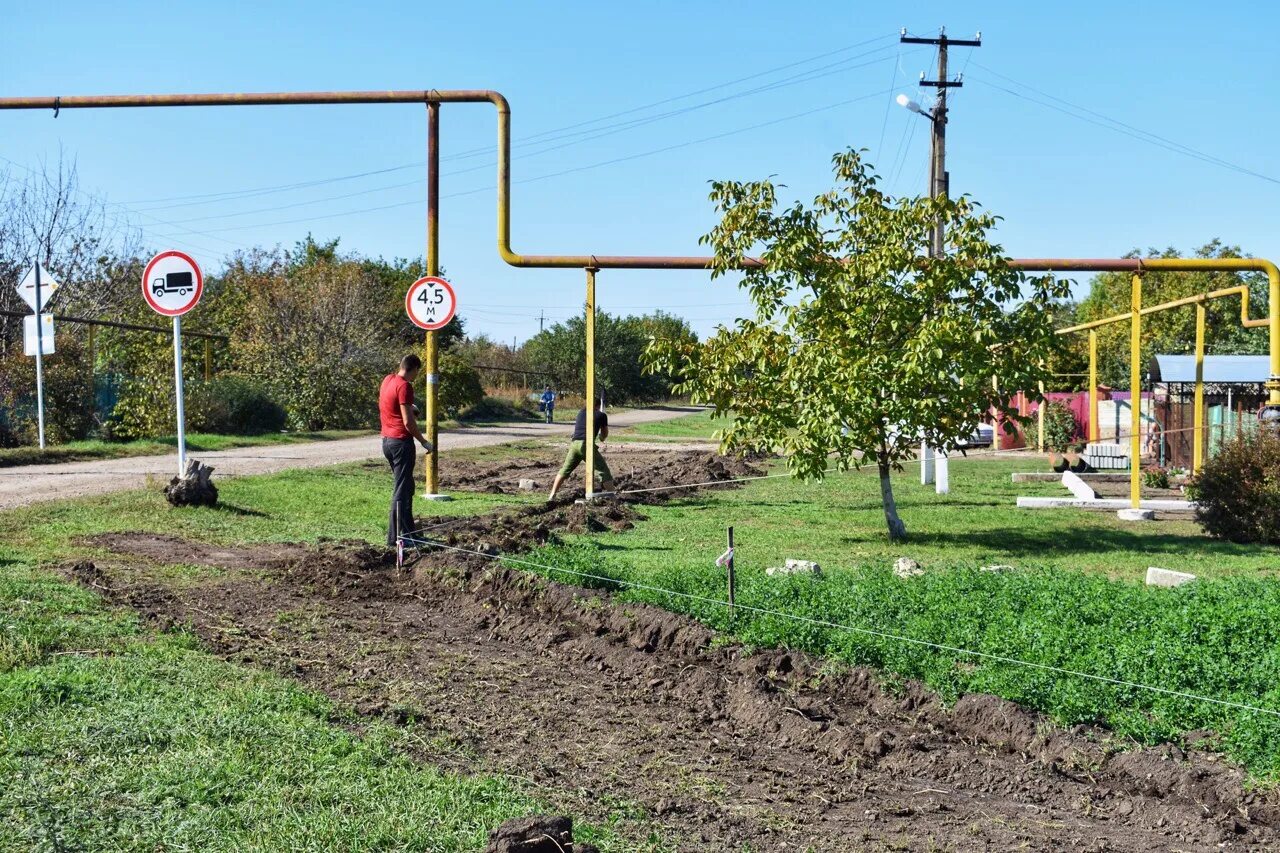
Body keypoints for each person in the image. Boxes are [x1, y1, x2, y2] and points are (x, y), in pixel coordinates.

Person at [380, 354, 434, 547]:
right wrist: (423, 442)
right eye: (417, 372)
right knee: (401, 491)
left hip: (387, 441)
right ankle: (395, 538)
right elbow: (408, 422)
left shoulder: (388, 380)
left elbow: (394, 404)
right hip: (401, 443)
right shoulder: (405, 386)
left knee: (408, 486)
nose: (416, 376)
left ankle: (410, 533)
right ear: (413, 369)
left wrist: (412, 408)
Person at [548, 400, 616, 501]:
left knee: (565, 470)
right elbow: (604, 433)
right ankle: (614, 498)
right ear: (598, 406)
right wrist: (601, 438)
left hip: (574, 444)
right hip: (586, 445)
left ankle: (552, 495)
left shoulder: (581, 412)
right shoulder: (601, 415)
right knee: (603, 471)